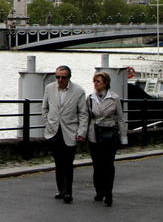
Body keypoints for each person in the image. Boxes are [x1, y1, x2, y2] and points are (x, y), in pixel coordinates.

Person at [41, 65, 88, 203]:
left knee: (68, 163)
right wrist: (48, 123)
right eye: (58, 77)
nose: (60, 80)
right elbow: (44, 108)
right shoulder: (49, 88)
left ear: (69, 77)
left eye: (63, 77)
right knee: (58, 163)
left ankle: (68, 192)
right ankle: (60, 189)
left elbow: (83, 114)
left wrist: (81, 132)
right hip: (53, 131)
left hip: (70, 131)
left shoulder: (78, 91)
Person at [86, 72, 128, 207]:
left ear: (106, 83)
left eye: (98, 81)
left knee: (108, 166)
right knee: (97, 166)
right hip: (94, 135)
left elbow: (120, 118)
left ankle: (108, 193)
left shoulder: (114, 98)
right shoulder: (90, 98)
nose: (96, 84)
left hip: (109, 134)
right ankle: (99, 191)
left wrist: (123, 137)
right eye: (94, 81)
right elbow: (86, 117)